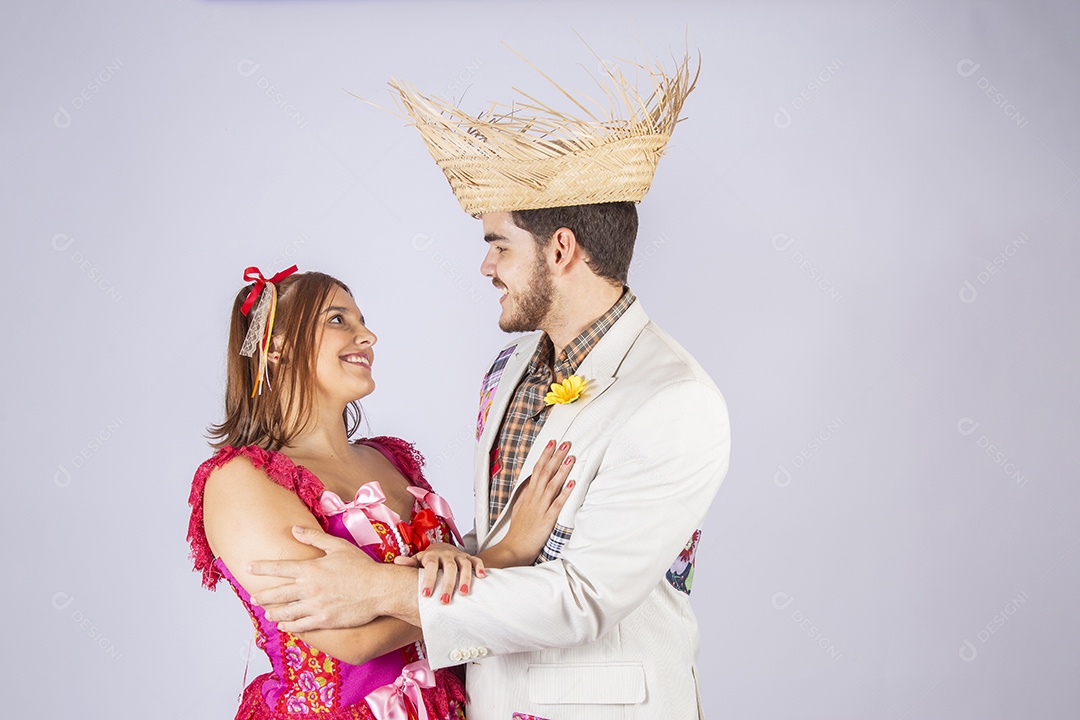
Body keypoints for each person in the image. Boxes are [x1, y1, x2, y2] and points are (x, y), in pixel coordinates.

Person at [247, 51, 730, 719]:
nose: (485, 265)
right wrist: (465, 554)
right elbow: (514, 548)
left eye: (500, 244)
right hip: (485, 701)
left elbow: (581, 597)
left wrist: (380, 588)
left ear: (560, 250)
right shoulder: (506, 374)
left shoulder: (674, 399)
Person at [187, 267, 575, 720]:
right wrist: (509, 552)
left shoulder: (389, 460)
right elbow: (353, 642)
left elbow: (443, 574)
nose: (367, 336)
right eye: (337, 320)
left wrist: (445, 563)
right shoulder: (240, 481)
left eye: (361, 321)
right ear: (277, 347)